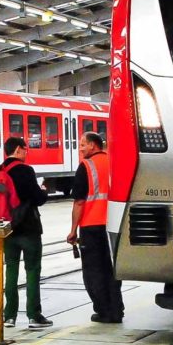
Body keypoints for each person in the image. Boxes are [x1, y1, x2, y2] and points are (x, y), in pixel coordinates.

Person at [0, 137, 51, 330]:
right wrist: (43, 190)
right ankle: (34, 315)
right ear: (18, 150)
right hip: (29, 228)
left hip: (7, 229)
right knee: (32, 270)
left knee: (11, 270)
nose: (27, 153)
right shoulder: (26, 171)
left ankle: (9, 316)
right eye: (25, 150)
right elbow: (37, 198)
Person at [66, 132, 123, 323]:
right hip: (114, 225)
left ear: (93, 145)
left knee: (94, 271)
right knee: (112, 268)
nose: (80, 148)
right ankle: (117, 308)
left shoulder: (86, 166)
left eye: (83, 144)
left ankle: (104, 311)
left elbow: (80, 202)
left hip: (91, 226)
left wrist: (73, 229)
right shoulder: (115, 163)